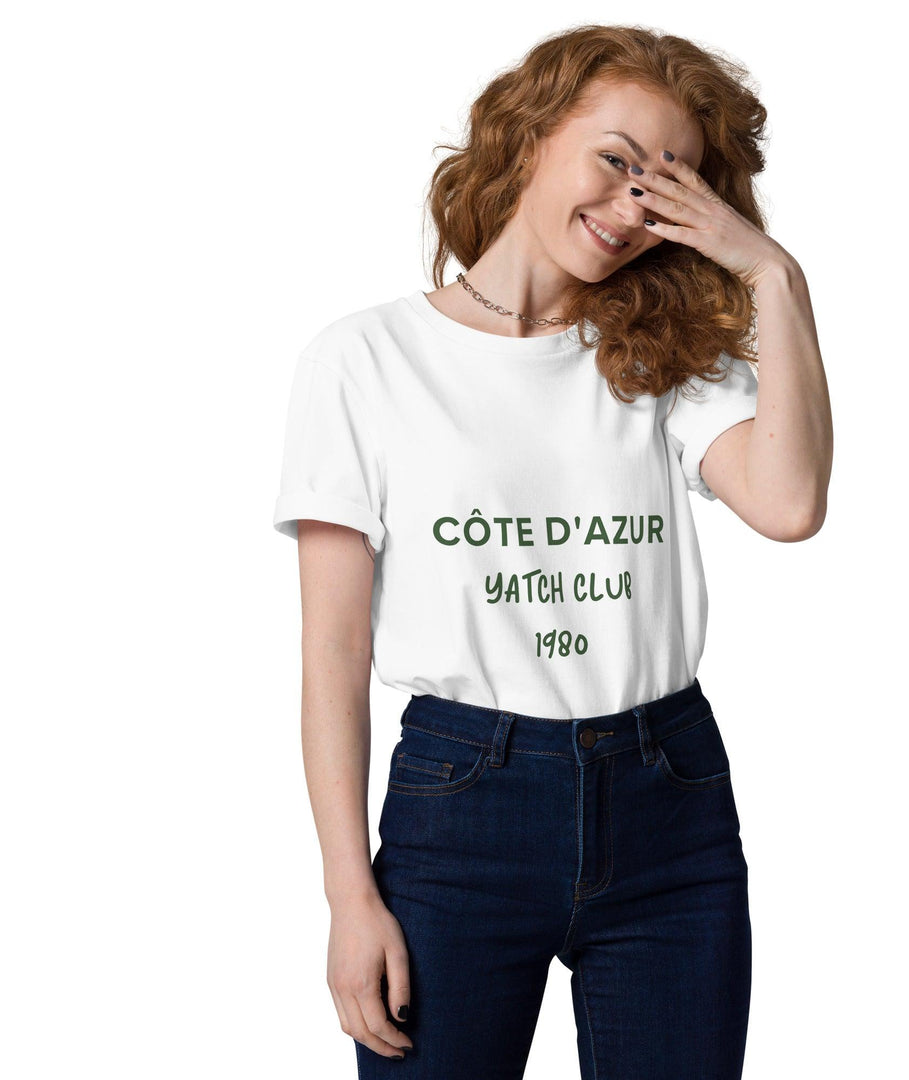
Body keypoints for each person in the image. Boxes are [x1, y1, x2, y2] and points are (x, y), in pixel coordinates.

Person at [272, 22, 831, 1080]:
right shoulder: (364, 361)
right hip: (460, 808)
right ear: (530, 136)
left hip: (670, 797)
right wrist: (350, 894)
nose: (633, 205)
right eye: (618, 161)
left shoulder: (658, 360)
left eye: (668, 186)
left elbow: (792, 503)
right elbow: (333, 652)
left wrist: (772, 275)